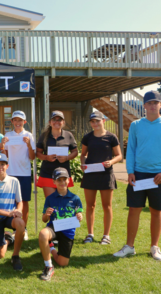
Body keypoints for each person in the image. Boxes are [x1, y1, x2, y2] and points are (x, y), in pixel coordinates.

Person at [114, 91, 161, 260]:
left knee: (157, 212)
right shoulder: (136, 125)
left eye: (156, 102)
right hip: (138, 175)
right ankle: (129, 246)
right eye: (150, 103)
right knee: (134, 210)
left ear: (160, 105)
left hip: (158, 176)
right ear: (144, 106)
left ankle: (154, 247)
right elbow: (131, 149)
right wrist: (130, 171)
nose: (153, 105)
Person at [80, 111, 122, 245]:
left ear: (103, 121)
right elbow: (83, 154)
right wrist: (82, 163)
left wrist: (111, 162)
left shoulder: (111, 137)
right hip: (91, 174)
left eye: (97, 121)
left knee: (107, 206)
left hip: (106, 175)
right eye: (93, 121)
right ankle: (90, 234)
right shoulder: (87, 137)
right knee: (90, 205)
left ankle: (106, 235)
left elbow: (119, 155)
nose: (95, 123)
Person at [38, 167, 83, 281]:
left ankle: (51, 247)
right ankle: (48, 266)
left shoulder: (75, 198)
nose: (62, 182)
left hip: (68, 231)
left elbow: (79, 214)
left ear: (69, 180)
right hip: (54, 227)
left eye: (64, 179)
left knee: (63, 263)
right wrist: (46, 215)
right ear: (54, 182)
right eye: (59, 180)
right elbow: (44, 220)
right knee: (43, 234)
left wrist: (79, 216)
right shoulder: (50, 199)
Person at [2, 110, 36, 241]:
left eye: (20, 120)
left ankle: (24, 228)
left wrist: (28, 144)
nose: (17, 122)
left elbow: (32, 157)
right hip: (10, 173)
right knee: (11, 201)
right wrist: (3, 145)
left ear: (24, 122)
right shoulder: (8, 135)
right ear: (12, 122)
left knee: (24, 202)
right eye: (15, 120)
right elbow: (5, 157)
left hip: (24, 173)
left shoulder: (29, 135)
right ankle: (12, 228)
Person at [36, 111, 78, 197]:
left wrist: (67, 158)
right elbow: (38, 153)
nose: (57, 122)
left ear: (63, 122)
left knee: (62, 201)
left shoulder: (68, 135)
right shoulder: (44, 136)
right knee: (51, 202)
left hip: (63, 174)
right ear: (50, 122)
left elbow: (75, 152)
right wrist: (46, 157)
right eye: (54, 119)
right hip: (47, 173)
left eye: (59, 120)